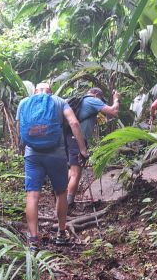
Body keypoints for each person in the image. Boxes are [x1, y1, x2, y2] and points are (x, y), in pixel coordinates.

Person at [17, 82, 88, 249]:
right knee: (61, 192)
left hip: (32, 155)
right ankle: (61, 233)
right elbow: (74, 123)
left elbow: (19, 129)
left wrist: (23, 150)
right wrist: (83, 149)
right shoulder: (59, 101)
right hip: (56, 155)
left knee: (32, 195)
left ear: (35, 91)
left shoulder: (24, 103)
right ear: (51, 91)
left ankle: (34, 239)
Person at [66, 87, 120, 209]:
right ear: (96, 94)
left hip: (68, 137)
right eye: (101, 99)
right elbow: (113, 112)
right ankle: (68, 205)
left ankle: (62, 198)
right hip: (77, 140)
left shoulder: (81, 102)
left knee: (70, 170)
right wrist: (116, 99)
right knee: (76, 173)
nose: (100, 101)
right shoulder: (92, 100)